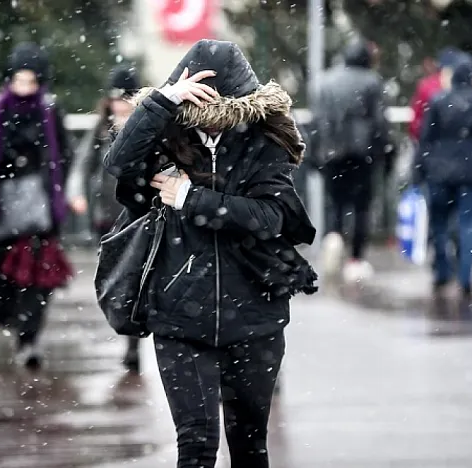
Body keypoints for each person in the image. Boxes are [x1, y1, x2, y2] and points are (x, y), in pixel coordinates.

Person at [104, 39, 317, 468]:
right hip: (180, 316)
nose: (213, 126)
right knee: (197, 447)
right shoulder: (165, 138)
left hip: (255, 316)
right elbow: (118, 164)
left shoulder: (263, 144)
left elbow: (271, 216)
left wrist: (192, 199)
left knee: (250, 447)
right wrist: (162, 101)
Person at [0, 42, 73, 371]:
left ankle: (29, 338)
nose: (25, 87)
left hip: (40, 211)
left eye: (31, 80)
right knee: (1, 276)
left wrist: (52, 192)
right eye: (19, 79)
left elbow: (63, 156)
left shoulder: (49, 110)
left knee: (37, 278)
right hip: (1, 210)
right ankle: (11, 326)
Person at [65, 63, 143, 371]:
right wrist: (77, 194)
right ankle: (127, 329)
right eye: (116, 98)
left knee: (136, 278)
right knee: (117, 279)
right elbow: (82, 166)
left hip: (138, 214)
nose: (120, 104)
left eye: (126, 98)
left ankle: (133, 342)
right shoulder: (101, 131)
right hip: (107, 217)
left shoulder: (146, 127)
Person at [414, 59, 472, 302]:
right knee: (468, 223)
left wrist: (420, 169)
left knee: (439, 223)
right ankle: (465, 277)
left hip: (439, 171)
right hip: (471, 172)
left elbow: (425, 138)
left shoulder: (438, 101)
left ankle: (442, 271)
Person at [315, 38, 395, 283]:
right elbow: (380, 122)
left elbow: (318, 121)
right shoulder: (372, 82)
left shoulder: (326, 81)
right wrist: (386, 151)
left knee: (334, 202)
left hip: (332, 152)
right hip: (363, 154)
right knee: (361, 207)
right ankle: (356, 260)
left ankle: (333, 237)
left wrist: (316, 154)